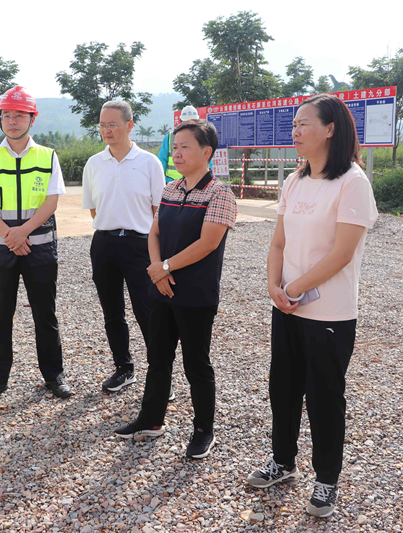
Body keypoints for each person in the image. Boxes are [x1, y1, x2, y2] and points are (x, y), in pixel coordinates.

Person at [246, 94, 378, 518]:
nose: (295, 131)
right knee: (282, 389)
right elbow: (279, 243)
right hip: (287, 306)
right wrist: (274, 285)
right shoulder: (294, 180)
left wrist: (294, 288)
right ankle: (282, 461)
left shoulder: (352, 182)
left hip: (329, 313)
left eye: (304, 123)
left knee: (324, 397)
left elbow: (342, 253)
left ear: (330, 129)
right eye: (294, 124)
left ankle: (326, 480)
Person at [115, 119, 237, 460]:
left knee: (196, 364)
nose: (177, 153)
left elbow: (208, 243)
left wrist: (165, 267)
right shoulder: (170, 189)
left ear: (207, 152)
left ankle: (203, 431)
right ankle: (151, 420)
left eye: (185, 147)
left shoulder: (220, 193)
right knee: (158, 358)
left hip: (195, 294)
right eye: (175, 146)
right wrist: (157, 270)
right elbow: (154, 232)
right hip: (162, 289)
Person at [0, 86, 72, 400]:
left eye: (19, 115)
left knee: (45, 315)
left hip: (39, 249)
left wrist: (22, 232)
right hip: (1, 250)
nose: (12, 121)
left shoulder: (47, 156)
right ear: (0, 119)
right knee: (0, 315)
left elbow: (51, 202)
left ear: (32, 119)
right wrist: (9, 235)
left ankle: (54, 376)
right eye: (7, 116)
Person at [81, 101, 165, 393]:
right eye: (102, 125)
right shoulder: (94, 164)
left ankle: (160, 375)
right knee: (112, 312)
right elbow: (94, 209)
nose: (106, 130)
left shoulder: (149, 163)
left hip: (140, 244)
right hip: (104, 243)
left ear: (129, 125)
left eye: (112, 124)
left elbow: (158, 211)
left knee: (148, 312)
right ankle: (124, 368)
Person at [157, 105, 199, 183]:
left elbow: (207, 161)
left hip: (194, 182)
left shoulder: (201, 138)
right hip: (171, 182)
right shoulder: (170, 137)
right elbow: (161, 161)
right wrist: (160, 181)